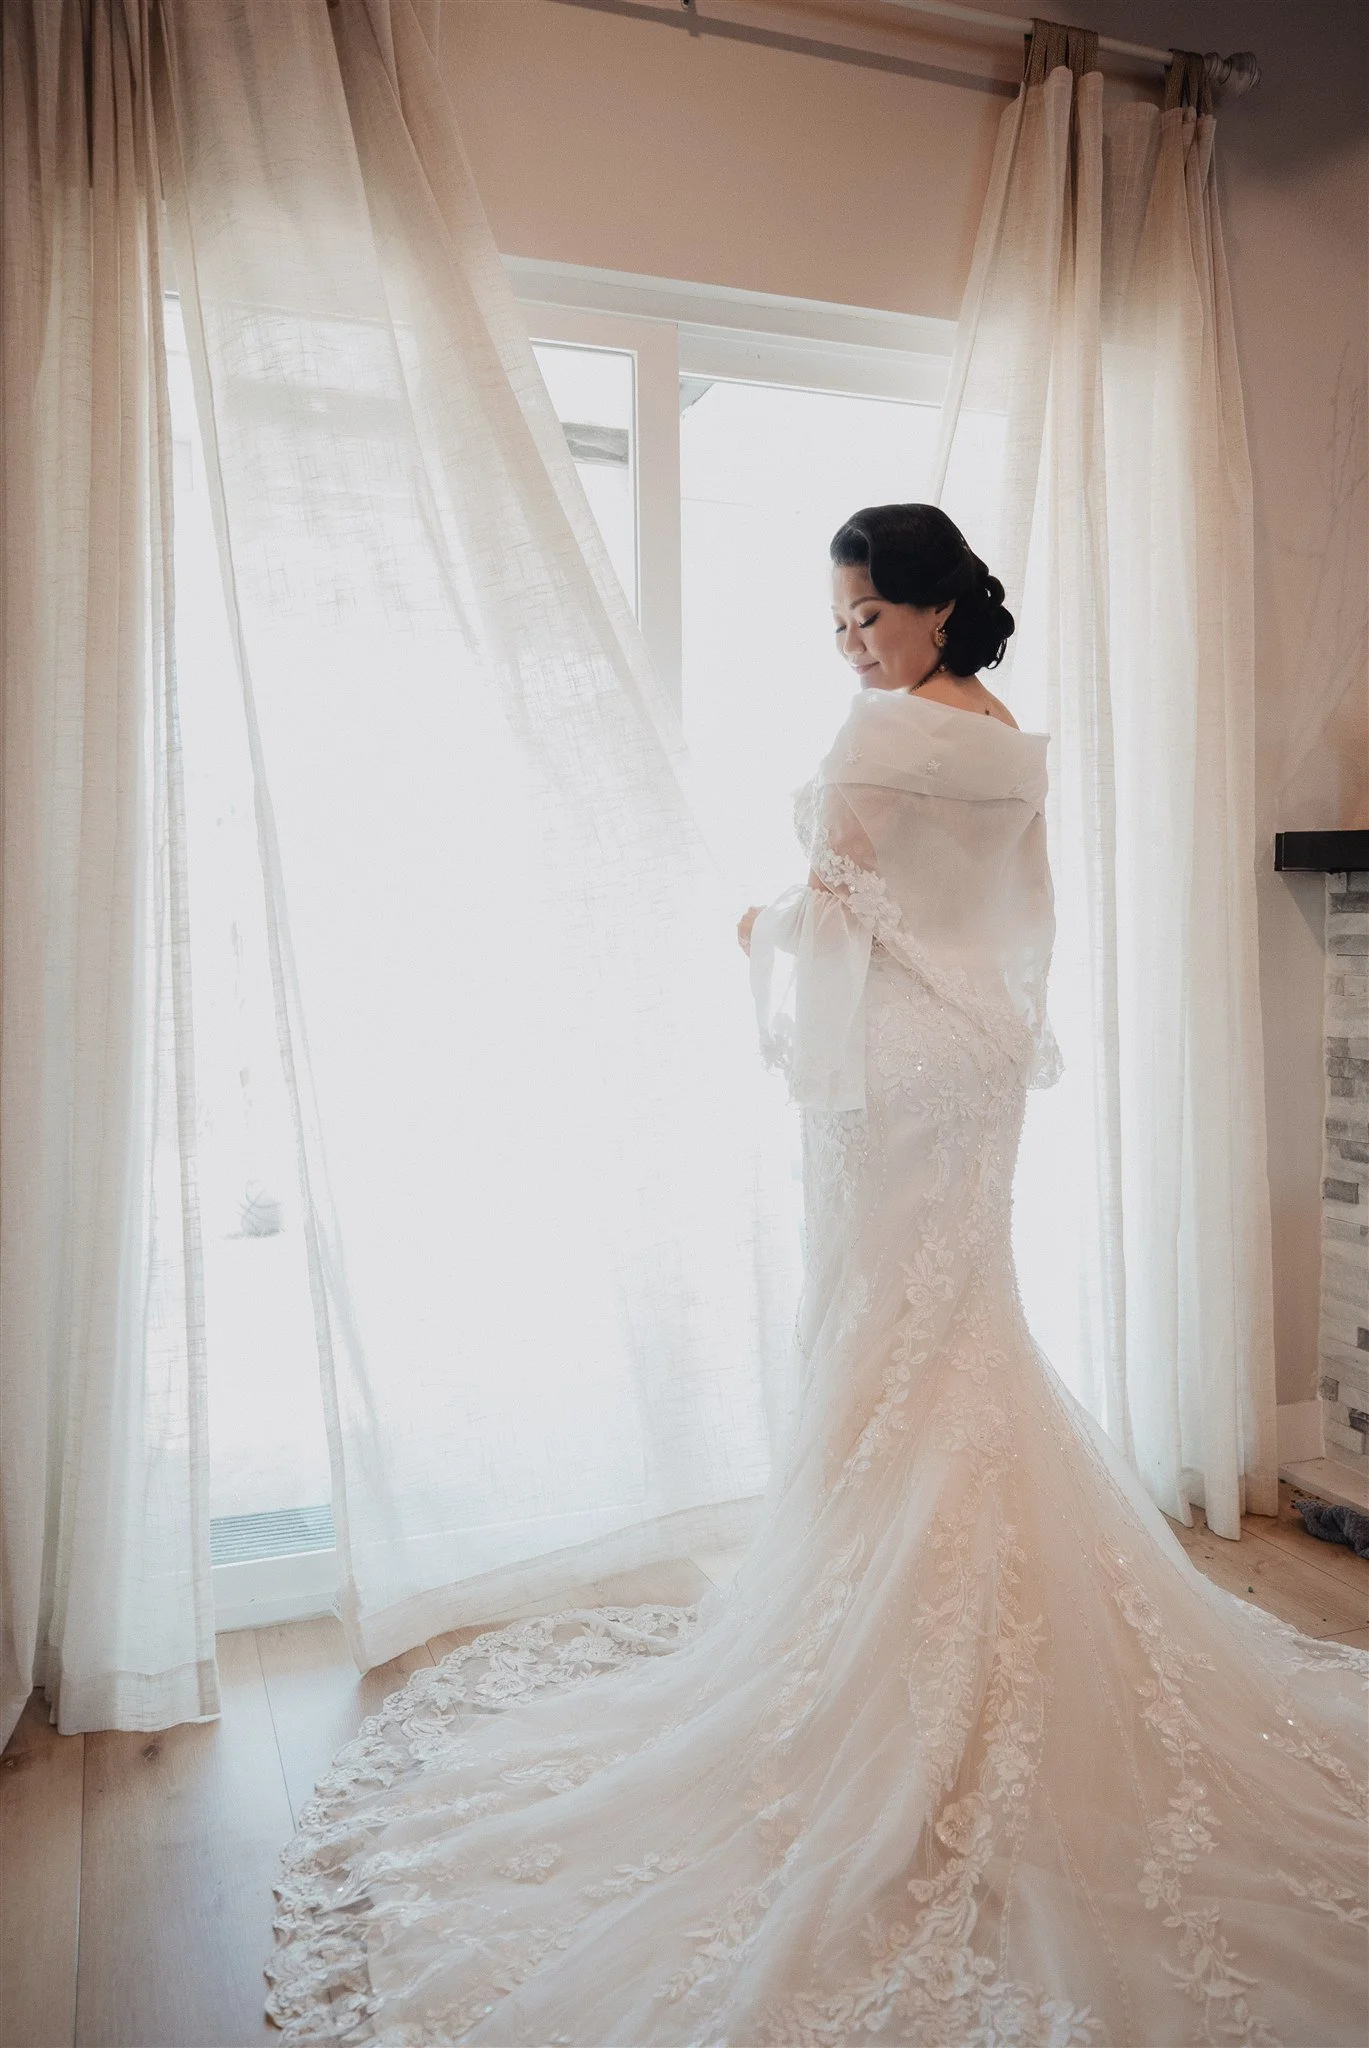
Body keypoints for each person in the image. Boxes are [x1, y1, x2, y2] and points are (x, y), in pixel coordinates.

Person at [266, 505, 1367, 2048]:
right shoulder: (1008, 738)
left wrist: (755, 926)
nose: (852, 642)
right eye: (841, 624)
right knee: (957, 1329)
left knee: (877, 1333)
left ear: (928, 608)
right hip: (975, 1062)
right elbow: (1025, 915)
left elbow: (839, 901)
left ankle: (881, 1656)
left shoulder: (879, 739)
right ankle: (935, 1623)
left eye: (866, 615)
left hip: (894, 1076)